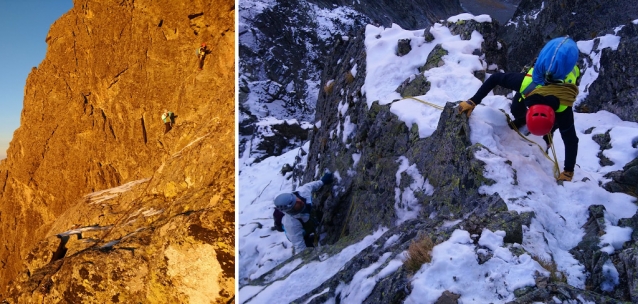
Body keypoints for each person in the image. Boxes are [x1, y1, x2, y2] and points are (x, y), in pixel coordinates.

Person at [458, 36, 580, 182]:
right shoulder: (529, 85)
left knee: (554, 122)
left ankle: (549, 134)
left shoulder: (563, 105)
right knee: (517, 109)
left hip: (558, 61)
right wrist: (473, 101)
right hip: (555, 65)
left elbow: (496, 78)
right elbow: (571, 140)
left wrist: (568, 170)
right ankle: (528, 123)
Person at [273, 171, 334, 254]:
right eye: (295, 205)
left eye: (296, 199)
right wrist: (307, 257)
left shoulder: (301, 193)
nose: (300, 202)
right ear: (291, 210)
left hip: (307, 219)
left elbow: (310, 186)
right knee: (307, 242)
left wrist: (322, 181)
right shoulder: (291, 224)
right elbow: (299, 245)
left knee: (316, 216)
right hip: (300, 232)